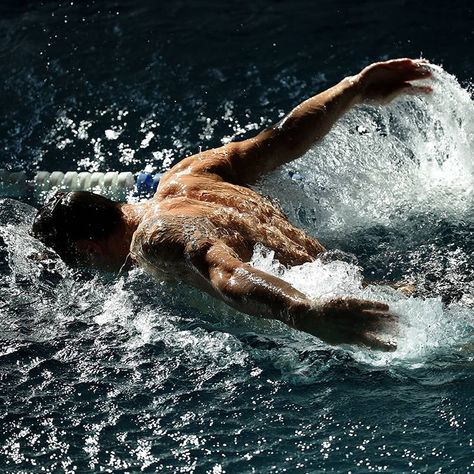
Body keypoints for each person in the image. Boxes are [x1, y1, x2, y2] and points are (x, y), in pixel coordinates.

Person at [32, 58, 432, 350]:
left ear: (88, 249)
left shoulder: (153, 238)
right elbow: (284, 139)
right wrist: (355, 87)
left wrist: (305, 312)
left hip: (337, 311)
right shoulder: (188, 174)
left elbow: (225, 272)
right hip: (371, 287)